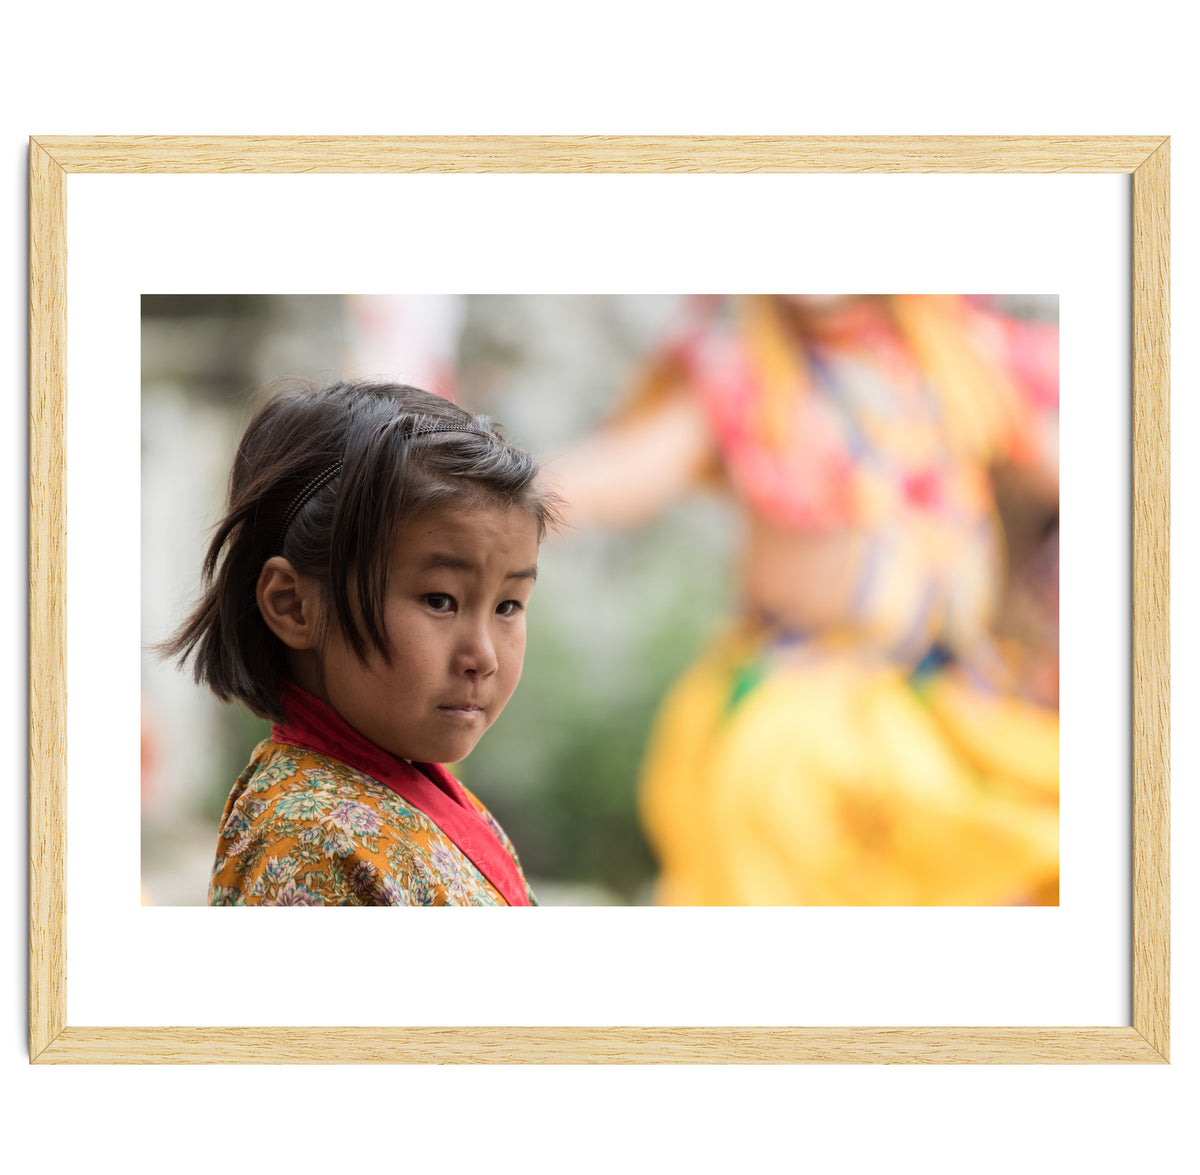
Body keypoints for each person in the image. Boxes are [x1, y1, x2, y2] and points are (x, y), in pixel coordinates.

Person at [544, 294, 1059, 906]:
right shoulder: (740, 368)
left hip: (952, 705)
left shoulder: (956, 357)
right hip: (805, 711)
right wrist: (493, 497)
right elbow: (622, 474)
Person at [161, 380, 558, 906]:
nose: (483, 656)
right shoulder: (309, 843)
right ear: (293, 605)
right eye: (440, 600)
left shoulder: (417, 792)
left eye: (508, 605)